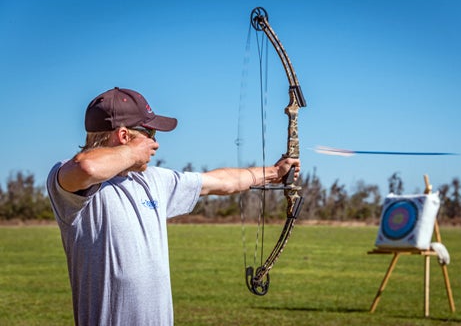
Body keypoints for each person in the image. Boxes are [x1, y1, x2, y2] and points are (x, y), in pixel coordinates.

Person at [46, 87, 300, 326]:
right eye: (150, 135)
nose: (155, 144)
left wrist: (274, 172)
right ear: (124, 136)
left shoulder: (152, 180)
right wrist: (134, 152)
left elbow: (221, 182)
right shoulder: (73, 183)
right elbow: (86, 167)